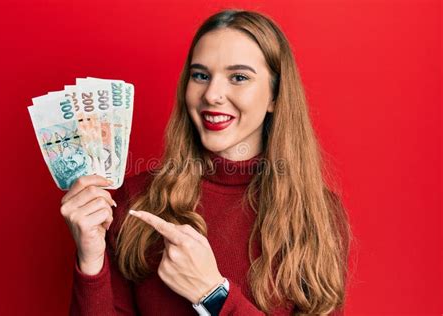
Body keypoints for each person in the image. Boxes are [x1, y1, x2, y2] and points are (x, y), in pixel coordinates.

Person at [60, 9, 352, 316]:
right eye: (201, 75)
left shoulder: (317, 215)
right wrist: (91, 263)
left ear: (275, 97)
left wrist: (212, 295)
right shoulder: (135, 199)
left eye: (239, 77)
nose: (212, 94)